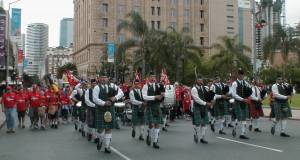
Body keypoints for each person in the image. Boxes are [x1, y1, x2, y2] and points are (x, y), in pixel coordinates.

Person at [93, 73, 124, 153]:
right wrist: (104, 103)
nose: (104, 79)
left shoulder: (113, 86)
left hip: (110, 109)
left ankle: (107, 146)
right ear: (99, 79)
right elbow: (95, 99)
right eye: (102, 77)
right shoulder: (97, 87)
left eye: (105, 77)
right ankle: (100, 140)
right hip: (100, 109)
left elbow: (121, 93)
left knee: (108, 128)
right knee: (100, 129)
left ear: (107, 78)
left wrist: (115, 97)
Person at [142, 71, 164, 149]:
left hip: (157, 106)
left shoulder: (159, 86)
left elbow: (162, 96)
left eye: (154, 77)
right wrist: (155, 97)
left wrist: (162, 97)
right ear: (148, 78)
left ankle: (155, 141)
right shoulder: (146, 86)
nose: (153, 78)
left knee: (157, 123)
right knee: (151, 124)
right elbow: (144, 97)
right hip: (150, 106)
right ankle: (149, 135)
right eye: (152, 77)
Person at [191, 76, 213, 144]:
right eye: (200, 80)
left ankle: (202, 138)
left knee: (204, 123)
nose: (201, 81)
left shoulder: (204, 88)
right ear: (196, 81)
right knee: (198, 124)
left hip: (204, 107)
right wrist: (206, 103)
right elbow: (197, 99)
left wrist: (213, 99)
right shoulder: (194, 89)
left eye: (202, 80)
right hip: (197, 107)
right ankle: (196, 134)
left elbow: (209, 95)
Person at [231, 69, 252, 139]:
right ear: (238, 75)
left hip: (244, 102)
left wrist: (249, 96)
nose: (242, 76)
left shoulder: (245, 83)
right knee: (239, 118)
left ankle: (242, 134)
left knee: (244, 118)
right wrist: (242, 99)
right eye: (241, 75)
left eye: (243, 75)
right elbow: (233, 94)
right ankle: (234, 127)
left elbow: (250, 90)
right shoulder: (235, 83)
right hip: (238, 102)